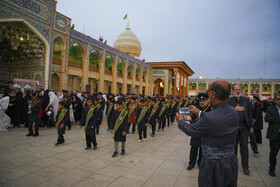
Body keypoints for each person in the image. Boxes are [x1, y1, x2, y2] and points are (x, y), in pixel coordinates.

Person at [176, 80, 239, 187]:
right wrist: (199, 112)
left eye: (208, 91)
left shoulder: (211, 117)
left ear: (213, 94)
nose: (208, 93)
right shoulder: (233, 111)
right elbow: (216, 118)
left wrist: (180, 120)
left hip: (213, 166)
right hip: (230, 162)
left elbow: (190, 130)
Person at [228, 84, 253, 175]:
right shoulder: (229, 101)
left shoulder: (246, 100)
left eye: (239, 90)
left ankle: (245, 167)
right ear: (232, 91)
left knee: (244, 148)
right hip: (233, 128)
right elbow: (226, 112)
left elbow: (250, 113)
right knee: (233, 148)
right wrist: (235, 109)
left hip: (244, 128)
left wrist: (251, 126)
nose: (238, 91)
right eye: (236, 90)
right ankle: (233, 166)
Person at [187, 93, 211, 170]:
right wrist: (194, 126)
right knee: (193, 148)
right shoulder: (195, 108)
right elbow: (191, 118)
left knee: (202, 149)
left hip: (205, 133)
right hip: (196, 132)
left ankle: (200, 163)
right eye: (201, 100)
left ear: (207, 100)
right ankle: (191, 163)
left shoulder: (210, 109)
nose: (202, 102)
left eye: (204, 100)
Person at [265, 93, 280, 177]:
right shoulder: (270, 109)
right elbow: (267, 118)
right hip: (274, 135)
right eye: (278, 99)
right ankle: (272, 169)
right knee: (273, 153)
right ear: (275, 100)